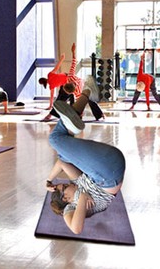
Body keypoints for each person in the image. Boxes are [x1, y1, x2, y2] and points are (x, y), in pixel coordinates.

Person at [45, 89, 126, 234]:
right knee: (55, 140)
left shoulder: (77, 184)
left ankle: (86, 93)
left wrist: (49, 180)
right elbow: (76, 229)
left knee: (63, 155)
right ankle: (82, 100)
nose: (67, 183)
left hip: (109, 162)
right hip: (106, 177)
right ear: (66, 198)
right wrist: (82, 198)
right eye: (64, 187)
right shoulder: (72, 206)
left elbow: (62, 164)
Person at [39, 43, 104, 121]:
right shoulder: (70, 76)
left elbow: (81, 102)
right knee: (61, 98)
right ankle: (52, 114)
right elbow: (74, 62)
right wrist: (73, 52)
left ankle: (100, 114)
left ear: (72, 92)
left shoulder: (79, 92)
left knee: (89, 99)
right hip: (71, 83)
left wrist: (80, 114)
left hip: (84, 88)